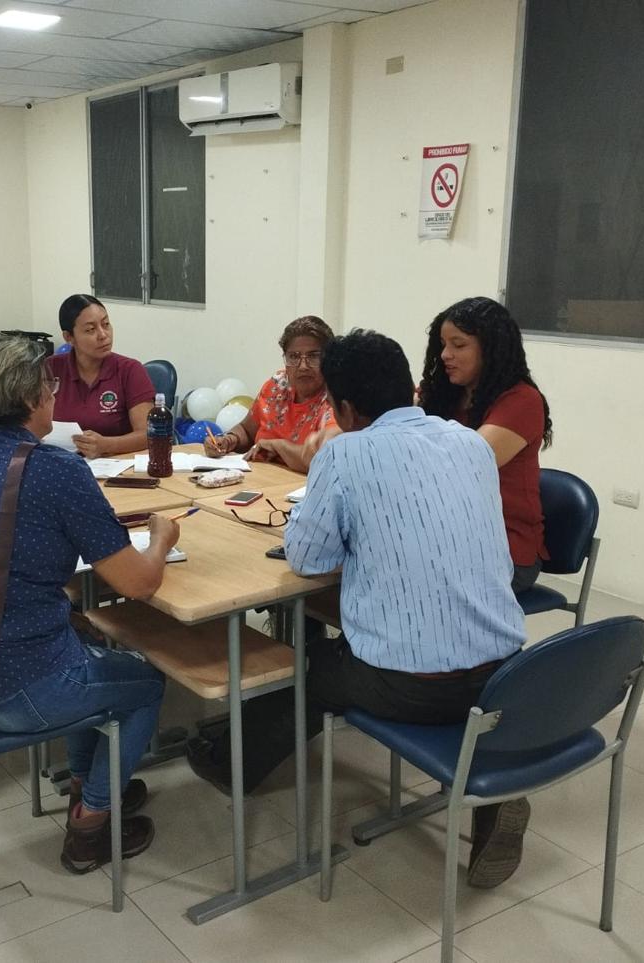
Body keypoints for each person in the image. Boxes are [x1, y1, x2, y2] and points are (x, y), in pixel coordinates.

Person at [189, 329, 531, 888]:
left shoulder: (345, 454)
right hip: (506, 674)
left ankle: (227, 761)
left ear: (344, 408)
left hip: (413, 686)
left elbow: (307, 559)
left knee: (308, 668)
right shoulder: (469, 443)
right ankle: (494, 795)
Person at [0, 335, 176, 874]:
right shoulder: (55, 470)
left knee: (81, 640)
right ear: (32, 396)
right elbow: (137, 584)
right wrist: (161, 540)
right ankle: (91, 823)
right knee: (146, 684)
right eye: (48, 383)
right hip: (12, 686)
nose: (53, 391)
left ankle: (85, 783)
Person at [418, 297, 553, 593]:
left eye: (459, 345)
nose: (445, 355)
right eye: (443, 344)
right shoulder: (445, 393)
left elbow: (464, 463)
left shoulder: (522, 400)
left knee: (402, 579)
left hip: (504, 549)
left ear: (491, 348)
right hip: (448, 536)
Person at [203, 315, 341, 472]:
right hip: (261, 478)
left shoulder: (336, 398)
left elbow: (324, 458)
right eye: (294, 357)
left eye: (313, 356)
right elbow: (246, 430)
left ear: (329, 359)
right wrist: (228, 440)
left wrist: (278, 446)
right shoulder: (277, 385)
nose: (303, 366)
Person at [47, 294, 157, 458]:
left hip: (114, 464)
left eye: (106, 324)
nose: (103, 335)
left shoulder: (130, 370)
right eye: (90, 330)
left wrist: (106, 445)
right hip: (60, 463)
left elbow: (149, 435)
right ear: (69, 337)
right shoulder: (50, 369)